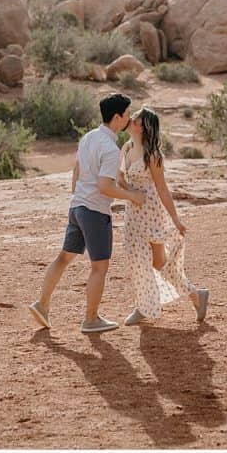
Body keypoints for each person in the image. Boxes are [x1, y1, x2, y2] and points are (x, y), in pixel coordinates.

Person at [29, 93, 146, 333]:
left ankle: (42, 305)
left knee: (63, 258)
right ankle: (91, 319)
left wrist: (78, 198)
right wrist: (133, 196)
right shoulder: (111, 149)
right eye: (127, 114)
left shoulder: (89, 138)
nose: (129, 118)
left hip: (77, 207)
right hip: (94, 212)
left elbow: (76, 171)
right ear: (117, 117)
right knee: (99, 268)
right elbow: (105, 186)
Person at [120, 107, 208, 325]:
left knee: (158, 262)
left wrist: (176, 220)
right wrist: (129, 193)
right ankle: (145, 305)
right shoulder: (126, 147)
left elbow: (162, 188)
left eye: (136, 119)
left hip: (151, 212)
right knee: (136, 258)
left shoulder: (153, 156)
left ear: (143, 127)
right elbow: (120, 177)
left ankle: (195, 295)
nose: (130, 120)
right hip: (132, 211)